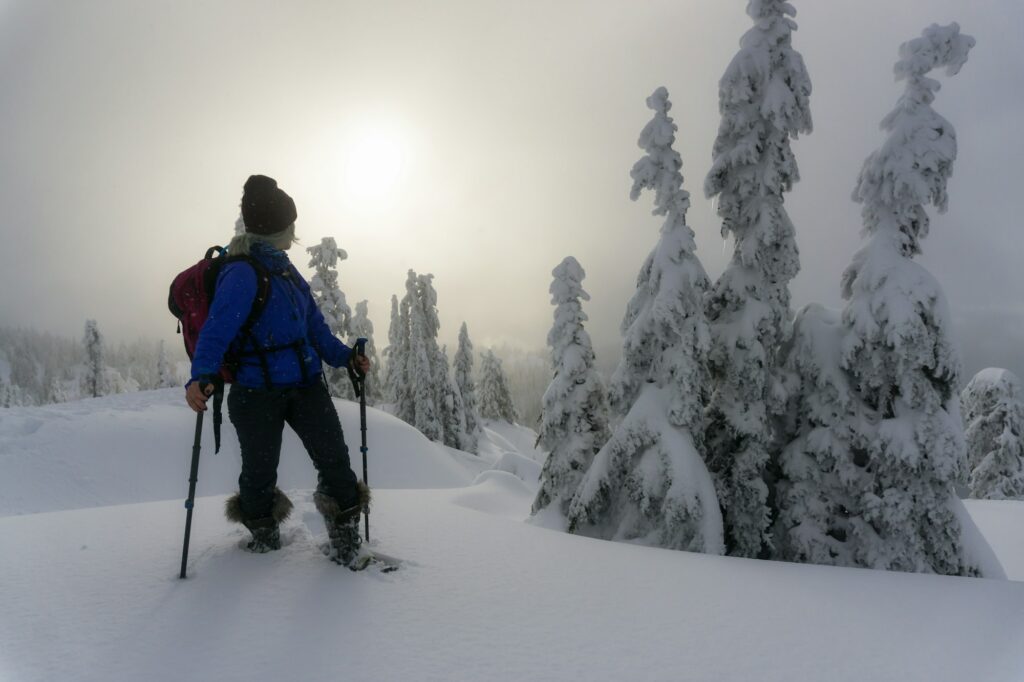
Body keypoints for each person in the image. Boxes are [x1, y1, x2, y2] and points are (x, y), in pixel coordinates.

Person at [185, 174, 370, 567]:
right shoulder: (242, 273)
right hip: (255, 394)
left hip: (305, 386)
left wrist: (345, 358)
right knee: (258, 476)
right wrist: (200, 376)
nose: (294, 232)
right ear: (274, 228)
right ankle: (263, 549)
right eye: (290, 225)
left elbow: (316, 328)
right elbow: (216, 331)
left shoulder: (286, 271)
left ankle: (346, 546)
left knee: (336, 463)